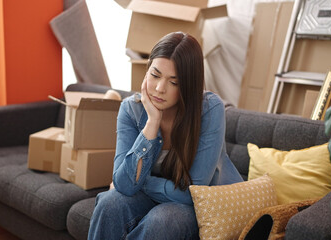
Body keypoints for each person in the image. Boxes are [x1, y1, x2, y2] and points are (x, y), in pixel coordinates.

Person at [88, 32, 243, 240]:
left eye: (174, 82)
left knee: (162, 220)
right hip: (159, 196)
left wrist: (142, 182)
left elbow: (193, 193)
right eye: (155, 75)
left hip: (199, 206)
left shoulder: (209, 109)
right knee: (109, 203)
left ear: (189, 85)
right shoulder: (130, 110)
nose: (160, 89)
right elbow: (124, 185)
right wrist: (152, 123)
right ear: (147, 69)